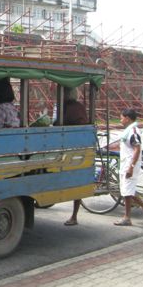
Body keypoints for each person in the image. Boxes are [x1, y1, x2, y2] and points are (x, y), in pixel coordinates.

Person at [114, 108, 143, 226]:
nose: (120, 120)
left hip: (130, 164)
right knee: (127, 190)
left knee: (127, 192)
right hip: (126, 163)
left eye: (121, 118)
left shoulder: (133, 131)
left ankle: (127, 217)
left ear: (127, 118)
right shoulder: (128, 131)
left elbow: (137, 149)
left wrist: (131, 167)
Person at [62, 87, 89, 226]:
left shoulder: (68, 107)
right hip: (81, 145)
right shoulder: (79, 106)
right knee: (78, 180)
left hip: (73, 146)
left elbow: (62, 123)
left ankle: (74, 216)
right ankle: (74, 215)